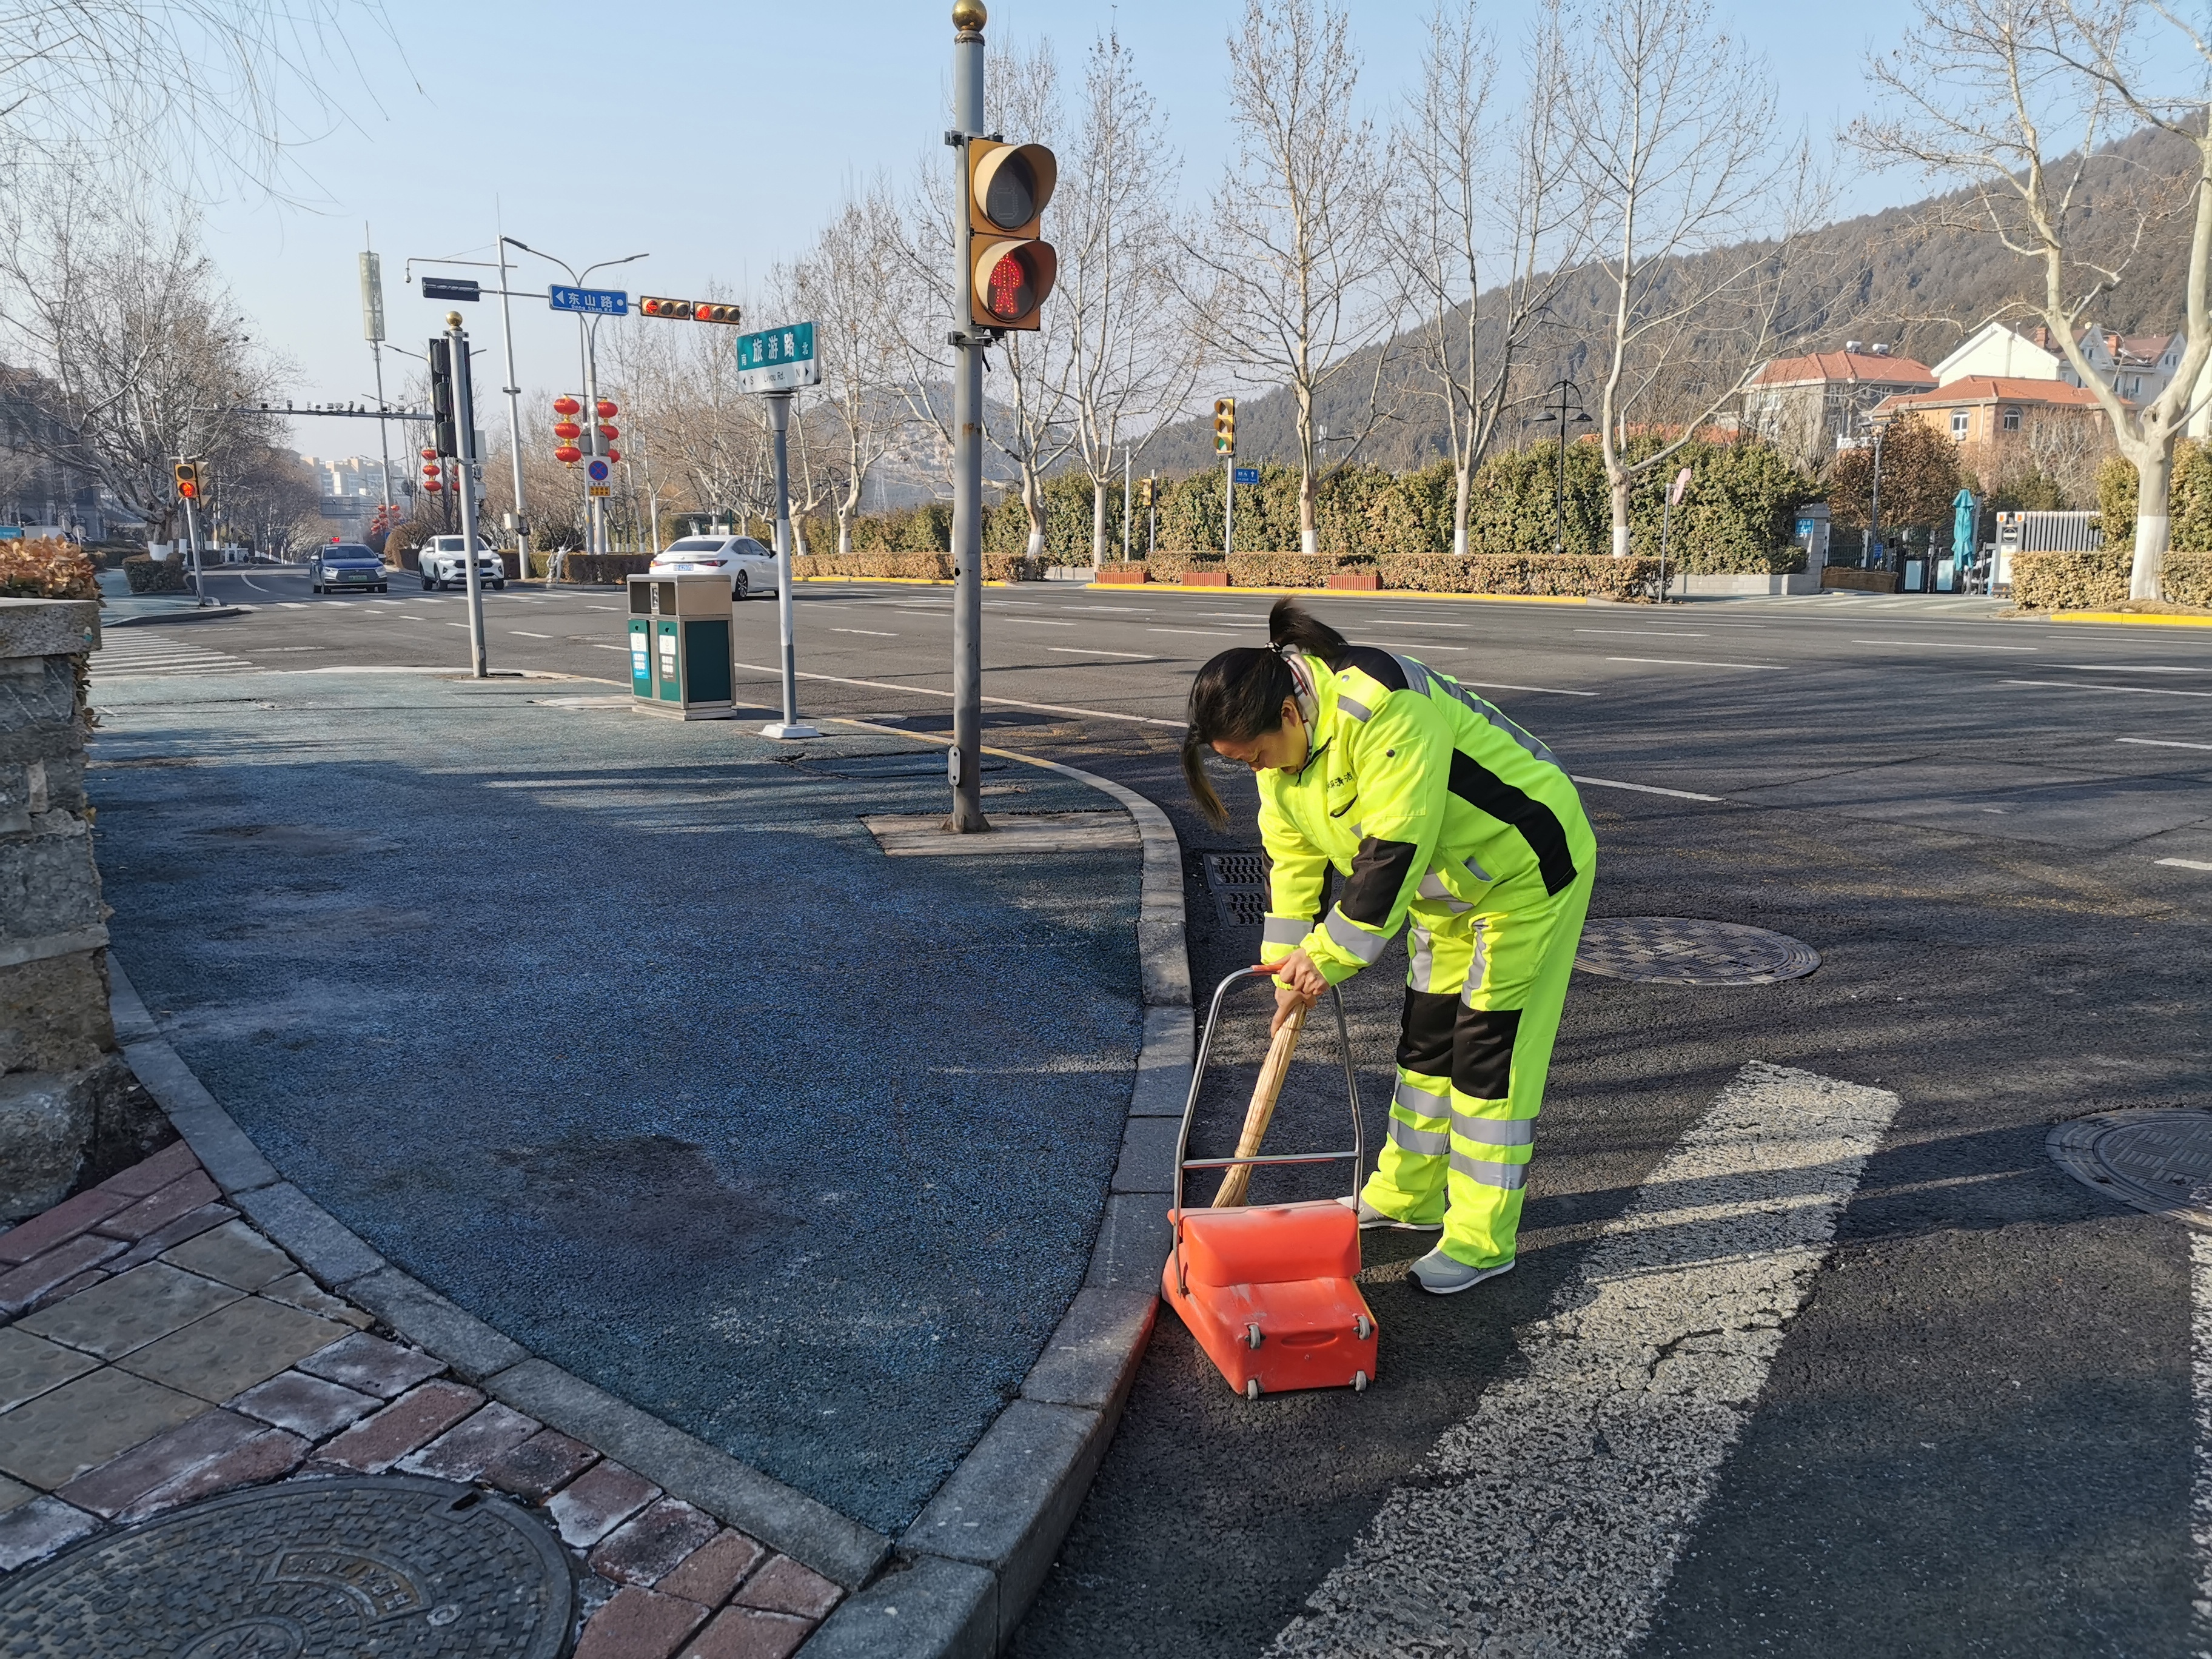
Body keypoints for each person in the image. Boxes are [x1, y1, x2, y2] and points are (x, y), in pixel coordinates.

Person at [1181, 599, 1595, 1294]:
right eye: (1240, 765)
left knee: (1487, 1050)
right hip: (1448, 892)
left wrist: (1332, 956)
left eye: (1254, 756)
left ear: (1288, 714)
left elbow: (1396, 846)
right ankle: (1408, 1195)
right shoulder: (1281, 772)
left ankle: (1481, 1236)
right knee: (1427, 1039)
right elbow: (1292, 873)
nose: (1256, 773)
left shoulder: (1381, 705)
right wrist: (1288, 967)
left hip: (1526, 870)